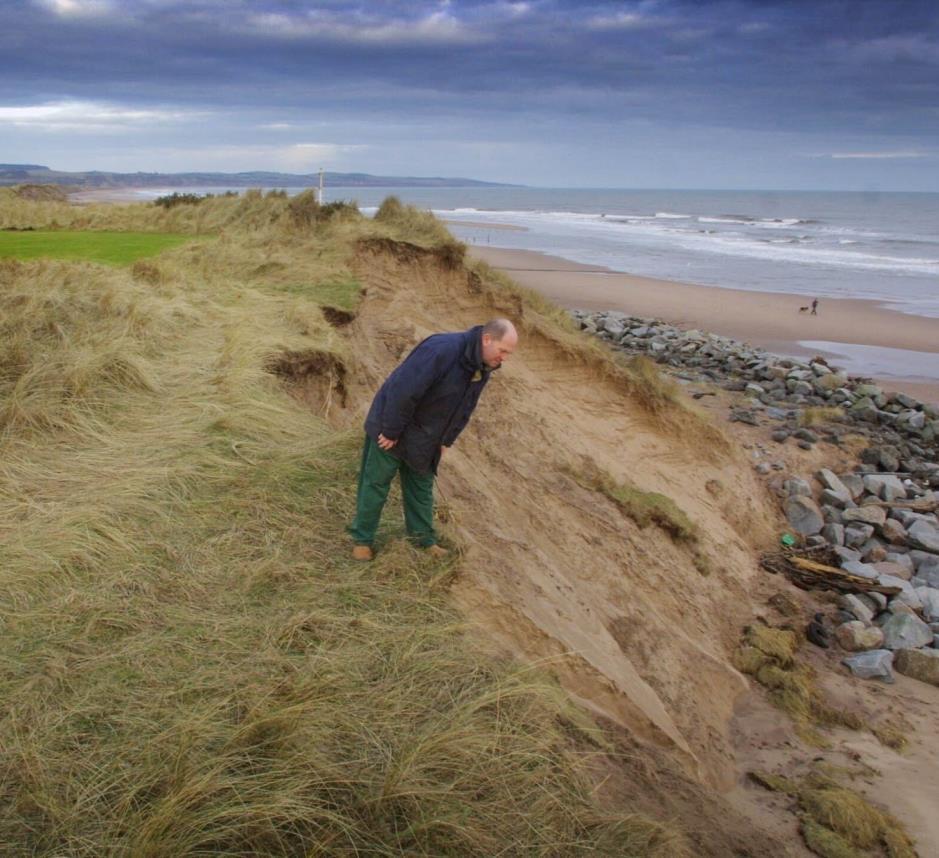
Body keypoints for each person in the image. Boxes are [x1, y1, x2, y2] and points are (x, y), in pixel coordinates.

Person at [348, 319, 518, 560]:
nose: (504, 358)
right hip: (392, 424)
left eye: (508, 354)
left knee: (421, 488)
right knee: (376, 483)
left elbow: (465, 408)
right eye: (503, 351)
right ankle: (362, 540)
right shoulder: (441, 349)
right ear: (487, 339)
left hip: (426, 436)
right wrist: (390, 430)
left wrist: (446, 440)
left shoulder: (483, 367)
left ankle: (423, 541)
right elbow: (403, 390)